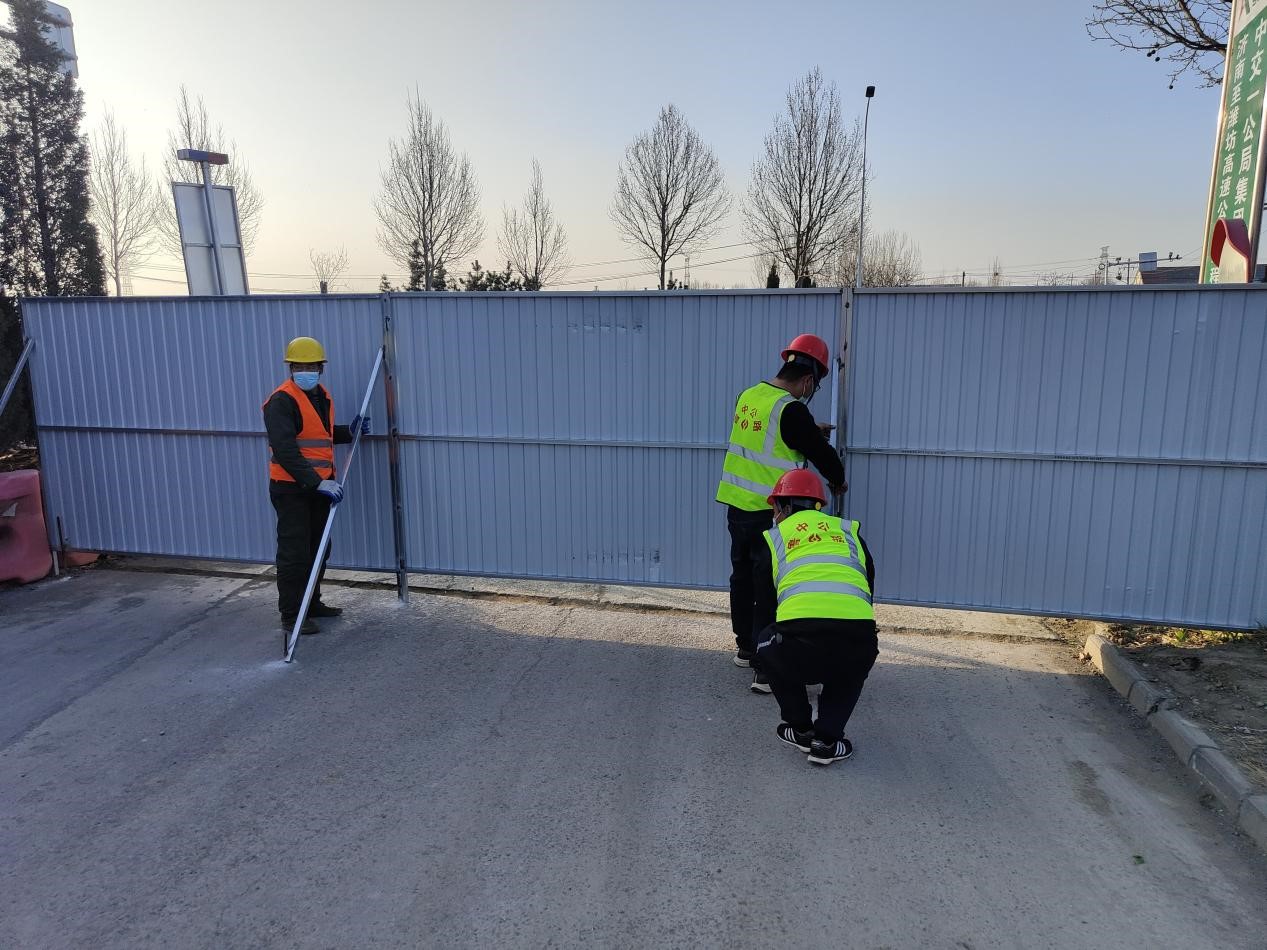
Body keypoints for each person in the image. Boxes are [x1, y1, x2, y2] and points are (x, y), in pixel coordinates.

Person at [715, 333, 847, 694]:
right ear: (807, 380)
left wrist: (807, 427)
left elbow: (768, 436)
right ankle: (765, 669)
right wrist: (838, 480)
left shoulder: (750, 395)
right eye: (813, 386)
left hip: (737, 505)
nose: (810, 392)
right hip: (770, 512)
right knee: (768, 587)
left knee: (742, 578)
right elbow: (820, 453)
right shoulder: (792, 410)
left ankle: (746, 648)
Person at [753, 468, 877, 766]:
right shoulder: (848, 532)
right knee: (850, 664)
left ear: (784, 507)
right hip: (858, 639)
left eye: (774, 508)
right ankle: (827, 741)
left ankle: (801, 729)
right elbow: (867, 585)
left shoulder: (775, 538)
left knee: (767, 642)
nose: (774, 515)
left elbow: (765, 607)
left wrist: (764, 663)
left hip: (799, 644)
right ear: (817, 505)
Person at [262, 336, 369, 635]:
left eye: (311, 366)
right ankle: (291, 615)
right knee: (294, 553)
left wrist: (349, 432)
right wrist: (316, 482)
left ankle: (312, 603)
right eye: (299, 366)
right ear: (291, 368)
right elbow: (285, 450)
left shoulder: (321, 396)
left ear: (321, 368)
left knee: (319, 548)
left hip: (319, 489)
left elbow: (320, 435)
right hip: (291, 489)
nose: (305, 371)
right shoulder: (281, 401)